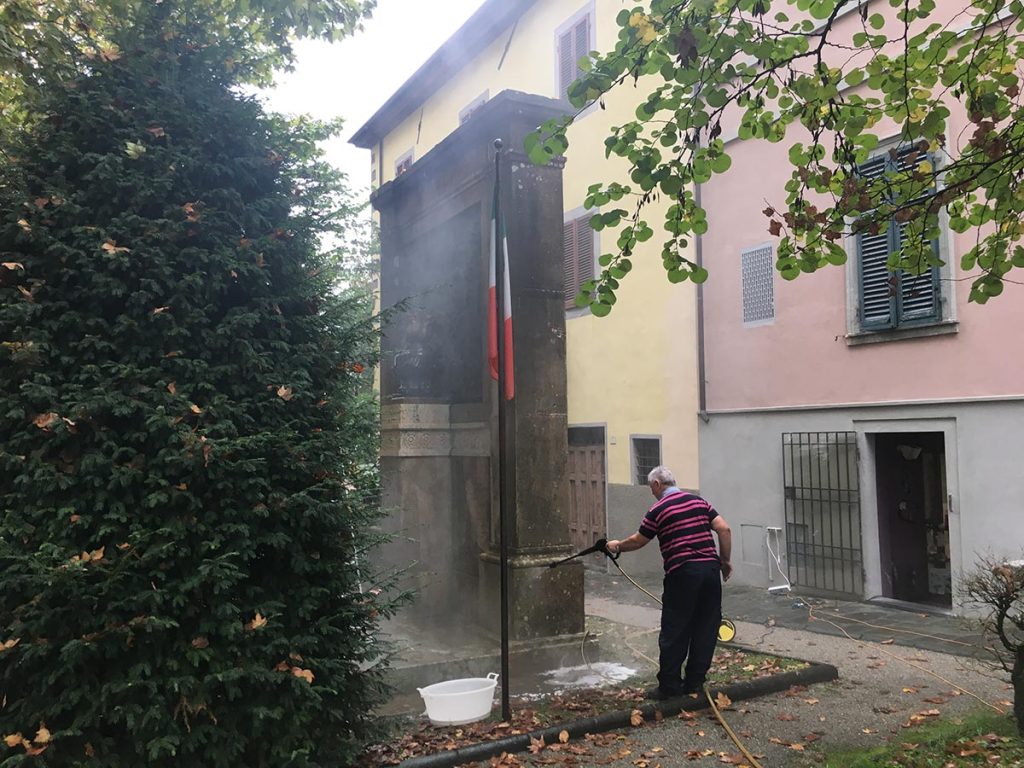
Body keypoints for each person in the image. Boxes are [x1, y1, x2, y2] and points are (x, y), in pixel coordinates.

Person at [606, 466, 732, 700]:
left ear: (656, 484)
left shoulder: (658, 508)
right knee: (706, 627)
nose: (651, 493)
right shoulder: (699, 502)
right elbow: (724, 529)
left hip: (682, 572)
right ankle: (695, 682)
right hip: (710, 572)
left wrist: (617, 545)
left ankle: (670, 686)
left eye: (650, 488)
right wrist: (724, 561)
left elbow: (639, 540)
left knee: (676, 628)